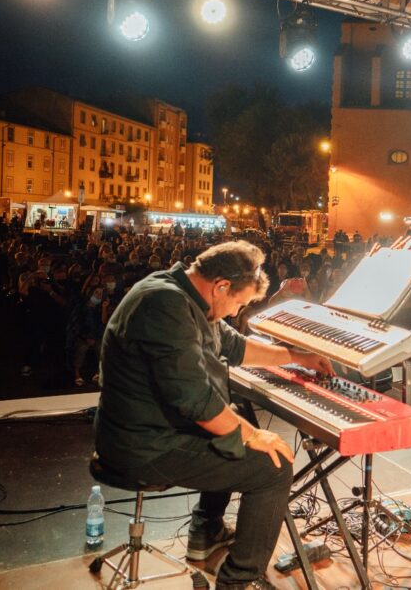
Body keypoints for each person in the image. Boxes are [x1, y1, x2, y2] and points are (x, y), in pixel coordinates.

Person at [95, 241, 333, 590]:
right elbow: (195, 400)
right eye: (239, 302)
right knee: (273, 465)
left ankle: (205, 535)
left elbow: (235, 346)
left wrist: (296, 356)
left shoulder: (184, 295)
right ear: (221, 286)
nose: (236, 312)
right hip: (143, 445)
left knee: (232, 422)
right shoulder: (164, 304)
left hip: (154, 430)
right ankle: (239, 581)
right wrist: (254, 435)